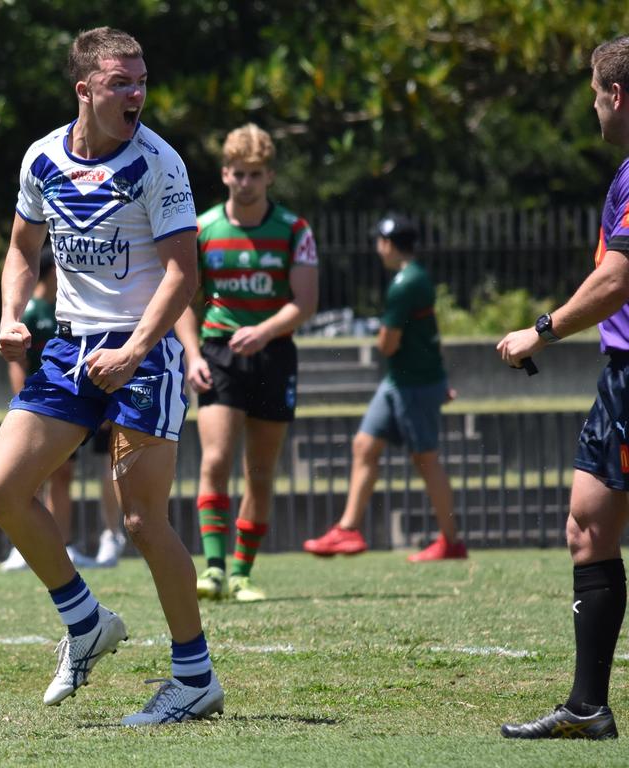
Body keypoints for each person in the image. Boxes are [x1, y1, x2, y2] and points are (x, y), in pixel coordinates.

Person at [0, 26, 223, 726]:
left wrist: (135, 352)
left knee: (144, 520)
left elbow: (183, 274)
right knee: (1, 491)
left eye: (141, 79)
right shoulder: (42, 158)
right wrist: (10, 314)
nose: (136, 92)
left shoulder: (159, 164)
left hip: (143, 353)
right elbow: (22, 249)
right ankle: (85, 622)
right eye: (121, 82)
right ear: (84, 89)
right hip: (70, 350)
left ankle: (194, 678)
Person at [495, 35, 629, 741]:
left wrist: (540, 331)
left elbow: (617, 279)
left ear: (616, 95)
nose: (593, 107)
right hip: (619, 379)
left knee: (591, 525)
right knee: (588, 525)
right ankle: (587, 706)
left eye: (594, 93)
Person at [174, 124, 318, 602]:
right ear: (224, 174)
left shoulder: (294, 231)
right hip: (219, 353)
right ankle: (213, 569)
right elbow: (182, 302)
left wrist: (266, 330)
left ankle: (243, 572)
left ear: (270, 176)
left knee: (260, 469)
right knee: (215, 459)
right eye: (238, 173)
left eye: (255, 174)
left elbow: (305, 302)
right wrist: (192, 355)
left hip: (273, 354)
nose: (246, 183)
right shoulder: (202, 228)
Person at [303, 214, 468, 562]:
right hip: (399, 381)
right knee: (364, 444)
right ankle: (347, 530)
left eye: (380, 242)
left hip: (413, 384)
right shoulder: (416, 278)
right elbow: (431, 334)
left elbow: (387, 344)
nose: (378, 249)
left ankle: (451, 542)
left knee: (425, 459)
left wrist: (384, 340)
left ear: (389, 244)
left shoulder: (404, 284)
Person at [0, 251, 127, 572]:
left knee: (62, 475)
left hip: (67, 403)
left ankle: (63, 543)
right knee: (32, 475)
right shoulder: (31, 311)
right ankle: (24, 548)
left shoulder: (64, 311)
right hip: (45, 403)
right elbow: (18, 367)